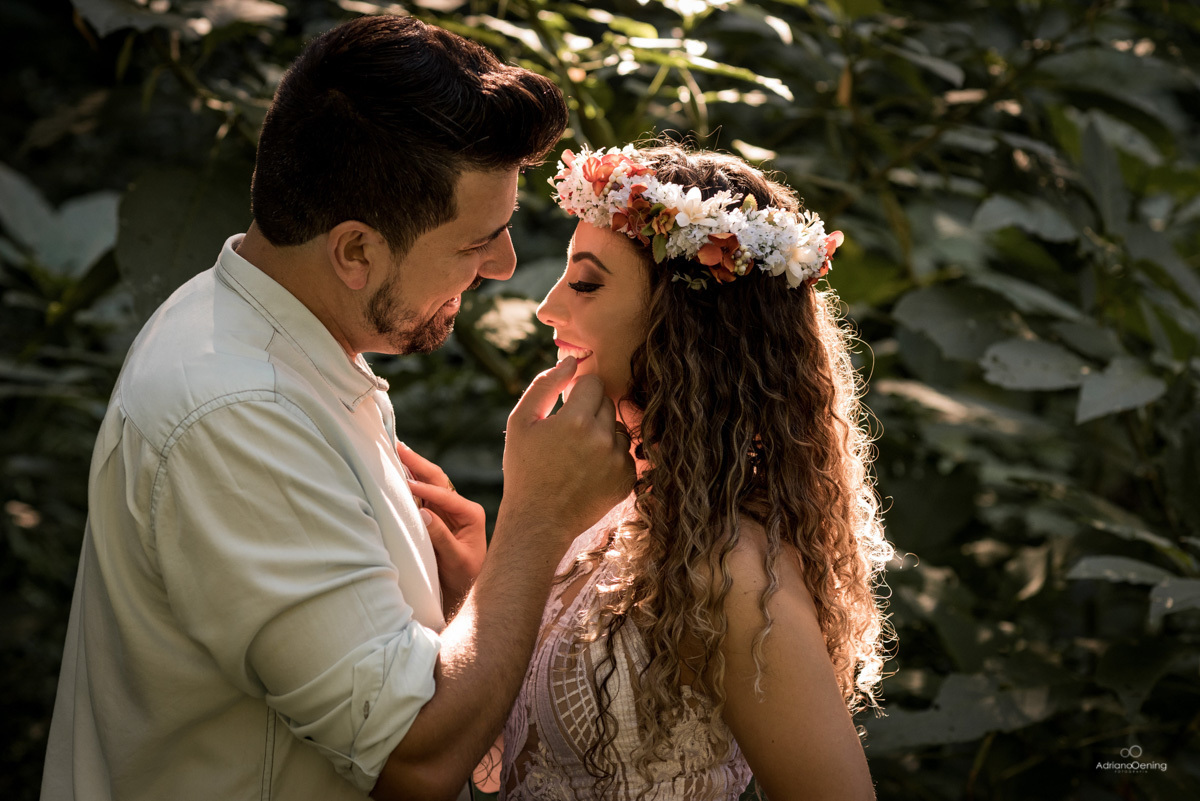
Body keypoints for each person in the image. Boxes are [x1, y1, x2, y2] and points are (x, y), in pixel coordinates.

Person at [39, 15, 633, 801]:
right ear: (355, 251)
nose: (505, 267)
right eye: (474, 243)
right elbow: (410, 759)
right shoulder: (239, 414)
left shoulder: (270, 327)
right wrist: (537, 521)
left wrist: (461, 599)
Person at [491, 143, 894, 800]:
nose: (547, 309)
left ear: (686, 322)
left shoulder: (734, 569)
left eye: (586, 283)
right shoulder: (601, 513)